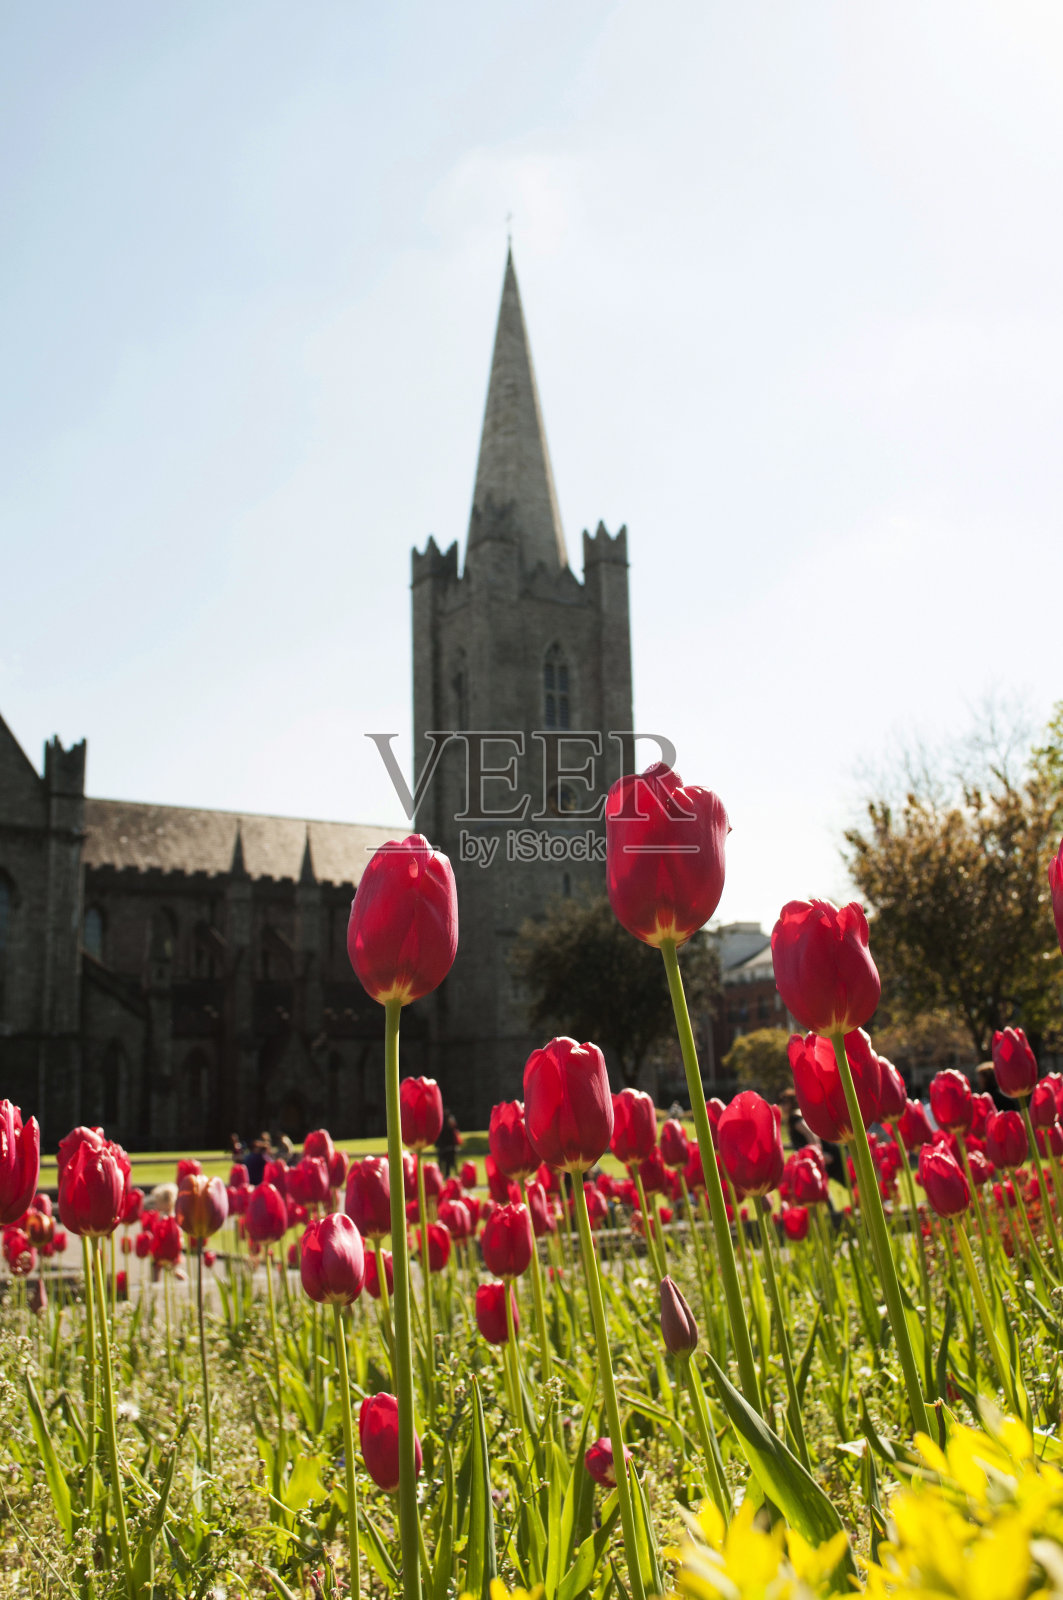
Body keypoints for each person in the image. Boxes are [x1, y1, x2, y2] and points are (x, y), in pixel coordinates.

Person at [436, 1111, 460, 1178]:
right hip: (449, 1148)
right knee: (449, 1165)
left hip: (445, 1148)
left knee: (446, 1165)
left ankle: (446, 1177)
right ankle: (447, 1177)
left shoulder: (441, 1126)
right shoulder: (450, 1126)